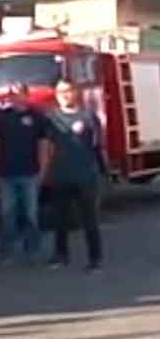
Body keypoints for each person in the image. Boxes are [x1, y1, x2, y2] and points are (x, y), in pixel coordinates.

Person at [45, 79, 106, 272]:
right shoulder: (50, 118)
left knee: (90, 220)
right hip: (61, 176)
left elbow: (98, 146)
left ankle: (95, 258)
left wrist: (102, 171)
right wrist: (46, 172)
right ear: (56, 94)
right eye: (60, 91)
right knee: (60, 220)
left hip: (86, 176)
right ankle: (60, 255)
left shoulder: (88, 116)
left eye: (68, 91)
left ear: (76, 92)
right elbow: (46, 147)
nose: (64, 94)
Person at [0, 82, 49, 265]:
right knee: (7, 215)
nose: (16, 97)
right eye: (12, 94)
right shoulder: (1, 118)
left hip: (30, 173)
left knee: (31, 214)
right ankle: (7, 253)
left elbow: (43, 145)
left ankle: (33, 251)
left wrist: (43, 169)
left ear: (26, 95)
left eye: (19, 93)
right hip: (6, 174)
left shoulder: (37, 117)